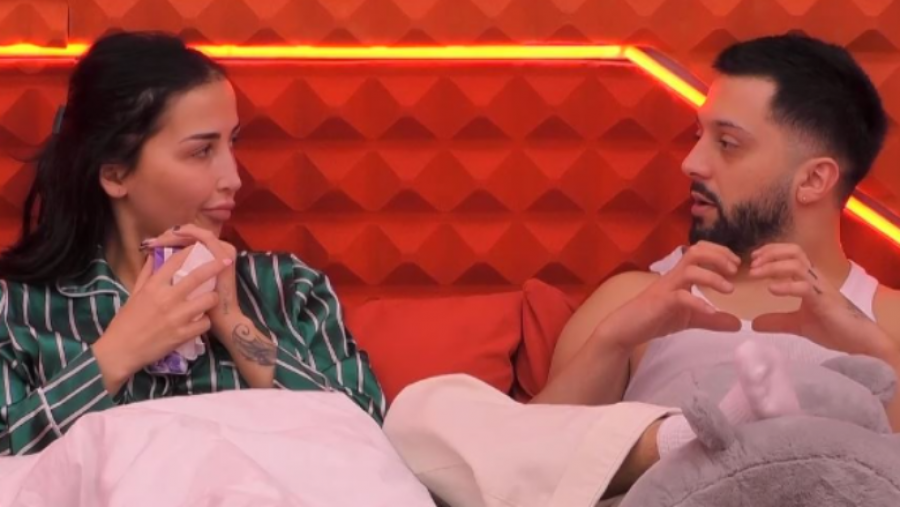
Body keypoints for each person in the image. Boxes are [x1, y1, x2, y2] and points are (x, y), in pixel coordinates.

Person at [382, 33, 900, 505]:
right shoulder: (635, 298)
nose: (692, 163)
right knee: (423, 411)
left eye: (726, 143)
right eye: (697, 136)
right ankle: (686, 437)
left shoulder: (890, 318)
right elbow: (526, 471)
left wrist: (878, 353)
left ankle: (723, 437)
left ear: (813, 181)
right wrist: (614, 340)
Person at [0, 31, 385, 456]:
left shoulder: (290, 288)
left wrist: (234, 324)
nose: (233, 178)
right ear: (115, 175)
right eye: (201, 151)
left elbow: (370, 437)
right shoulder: (17, 311)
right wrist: (115, 355)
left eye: (232, 142)